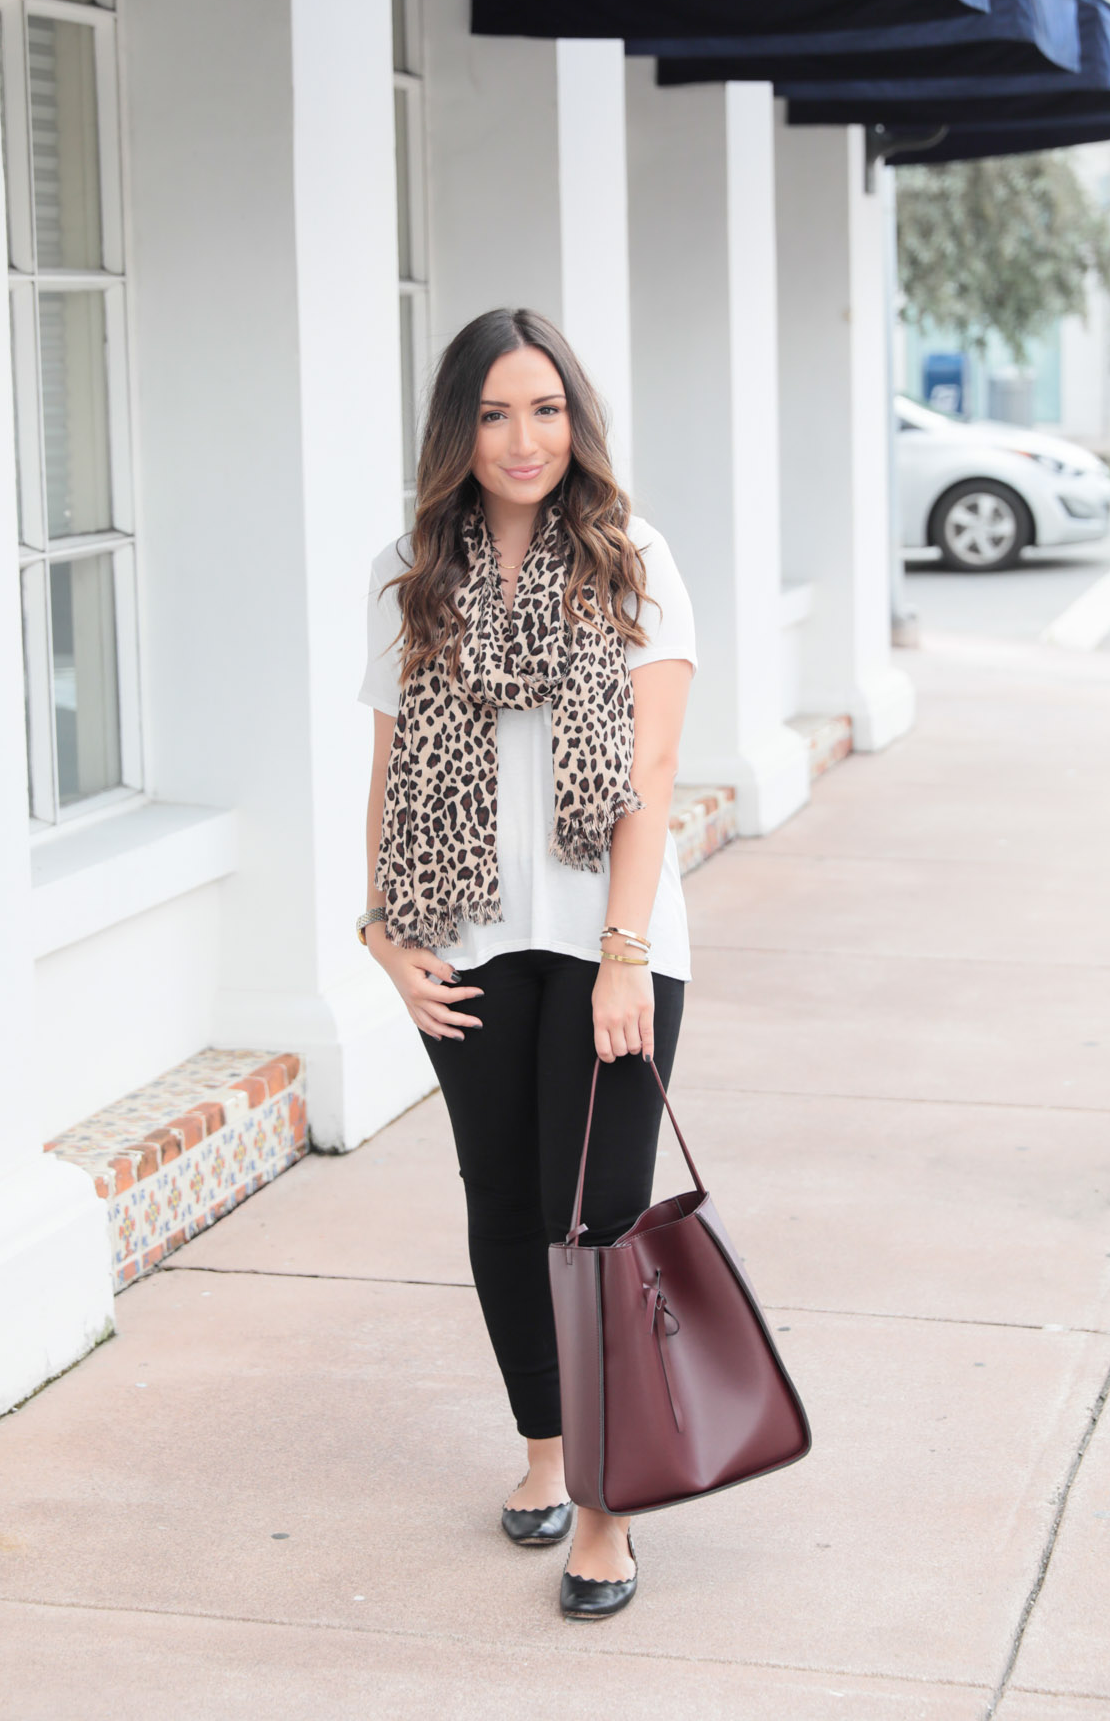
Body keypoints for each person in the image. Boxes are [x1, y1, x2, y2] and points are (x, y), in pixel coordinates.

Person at [356, 307, 695, 1621]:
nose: (522, 438)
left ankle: (608, 1508)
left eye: (545, 409)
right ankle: (546, 1454)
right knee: (503, 1209)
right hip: (467, 941)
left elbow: (653, 771)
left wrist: (625, 955)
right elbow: (390, 765)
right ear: (458, 430)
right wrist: (380, 933)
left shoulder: (631, 554)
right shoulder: (409, 569)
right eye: (494, 413)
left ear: (577, 419)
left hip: (613, 945)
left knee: (595, 1224)